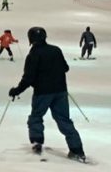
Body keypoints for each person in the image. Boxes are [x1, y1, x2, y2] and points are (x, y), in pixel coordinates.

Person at [9, 27, 85, 160]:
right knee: (64, 120)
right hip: (60, 92)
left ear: (31, 39)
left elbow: (28, 78)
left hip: (43, 93)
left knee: (36, 117)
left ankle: (37, 143)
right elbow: (65, 68)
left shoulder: (33, 54)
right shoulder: (56, 50)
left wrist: (17, 90)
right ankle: (77, 150)